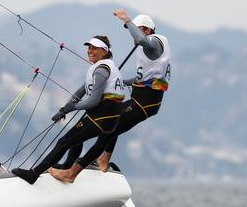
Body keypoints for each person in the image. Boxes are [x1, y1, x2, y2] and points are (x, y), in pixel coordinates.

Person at [50, 10, 171, 182]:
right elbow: (142, 79)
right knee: (111, 122)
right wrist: (120, 81)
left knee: (107, 128)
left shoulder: (152, 44)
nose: (134, 36)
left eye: (136, 30)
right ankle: (103, 160)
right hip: (144, 101)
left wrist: (127, 20)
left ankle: (72, 173)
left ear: (147, 30)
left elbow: (143, 41)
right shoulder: (154, 49)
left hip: (144, 103)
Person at [12, 35, 125, 184]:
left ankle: (33, 174)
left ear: (104, 51)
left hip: (103, 116)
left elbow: (93, 101)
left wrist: (74, 107)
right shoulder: (105, 67)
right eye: (89, 48)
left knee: (64, 142)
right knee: (76, 140)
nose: (90, 51)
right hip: (107, 116)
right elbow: (81, 91)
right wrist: (64, 110)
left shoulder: (101, 70)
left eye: (95, 48)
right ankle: (66, 167)